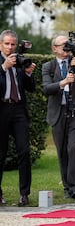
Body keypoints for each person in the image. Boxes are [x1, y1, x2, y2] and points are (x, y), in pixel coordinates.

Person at [42, 35, 75, 200]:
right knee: (63, 151)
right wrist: (63, 82)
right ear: (54, 48)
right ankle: (67, 187)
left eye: (68, 45)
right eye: (62, 45)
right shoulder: (48, 67)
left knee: (74, 148)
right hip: (58, 113)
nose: (66, 48)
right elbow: (46, 89)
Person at [0, 30, 36, 206]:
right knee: (0, 154)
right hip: (2, 110)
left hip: (19, 110)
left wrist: (28, 73)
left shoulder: (20, 61)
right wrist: (3, 68)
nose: (10, 47)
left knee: (24, 152)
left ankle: (24, 194)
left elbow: (31, 88)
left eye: (13, 44)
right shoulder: (2, 63)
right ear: (1, 44)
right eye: (6, 44)